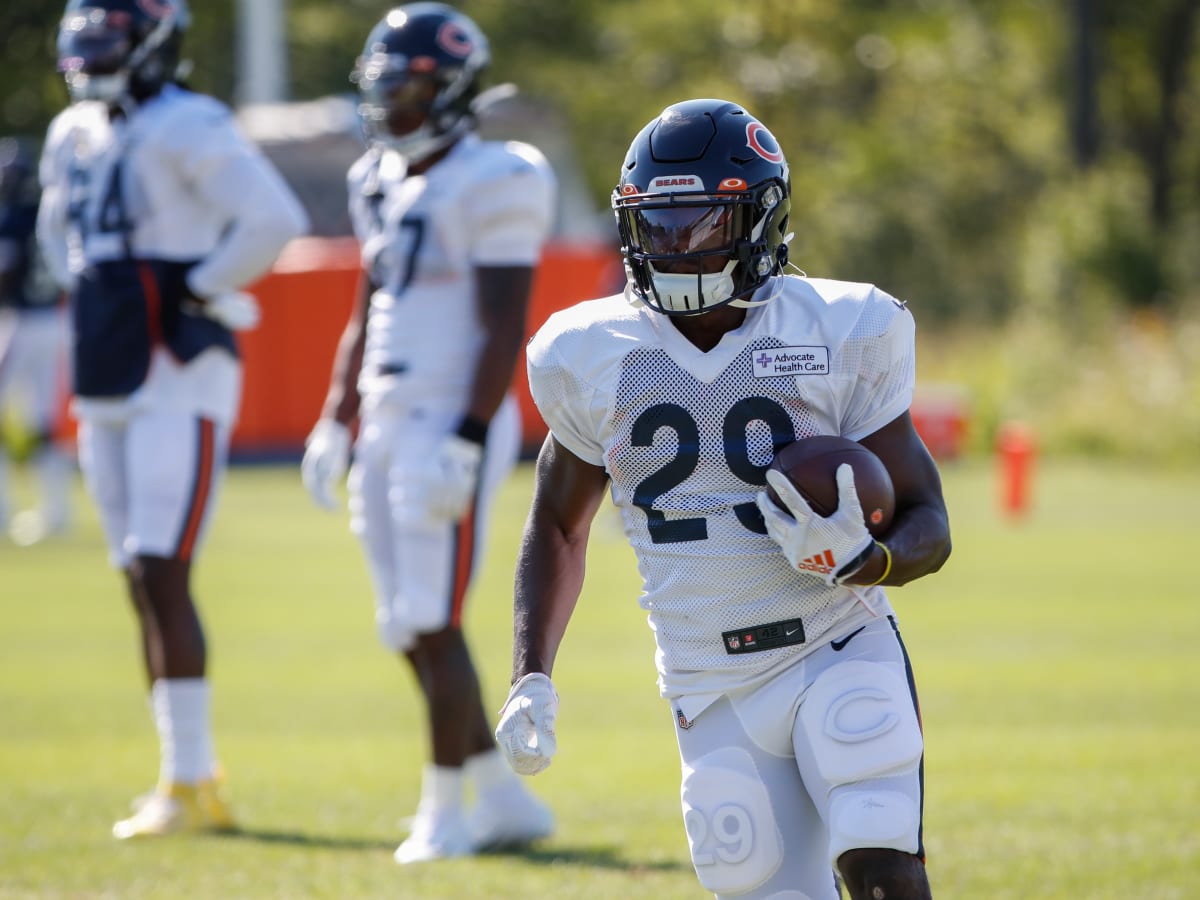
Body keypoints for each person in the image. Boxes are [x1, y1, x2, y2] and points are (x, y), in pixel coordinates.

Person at [495, 98, 952, 900]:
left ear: (759, 218)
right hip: (707, 676)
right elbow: (558, 528)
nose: (676, 244)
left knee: (880, 863)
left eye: (703, 222)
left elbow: (930, 523)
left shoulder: (843, 327)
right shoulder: (588, 351)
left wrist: (867, 560)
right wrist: (530, 674)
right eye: (659, 223)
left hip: (834, 643)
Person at [37, 0, 309, 839]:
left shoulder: (189, 121)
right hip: (107, 356)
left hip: (176, 365)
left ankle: (191, 779)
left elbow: (273, 220)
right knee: (134, 572)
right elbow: (60, 234)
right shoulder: (73, 129)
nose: (92, 57)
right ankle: (181, 772)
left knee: (161, 566)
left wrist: (197, 286)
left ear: (152, 41)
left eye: (108, 40)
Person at [300, 3, 556, 865]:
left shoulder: (500, 174)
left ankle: (443, 811)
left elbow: (501, 321)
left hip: (450, 419)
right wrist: (337, 418)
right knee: (403, 624)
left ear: (451, 92)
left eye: (407, 93)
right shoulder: (377, 175)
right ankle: (498, 795)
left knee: (434, 618)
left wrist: (469, 434)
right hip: (384, 415)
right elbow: (368, 306)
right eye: (384, 93)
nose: (391, 110)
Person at [0, 136, 73, 545]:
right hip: (54, 320)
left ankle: (5, 507)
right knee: (45, 421)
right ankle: (56, 508)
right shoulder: (47, 214)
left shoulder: (12, 218)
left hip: (22, 322)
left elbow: (6, 276)